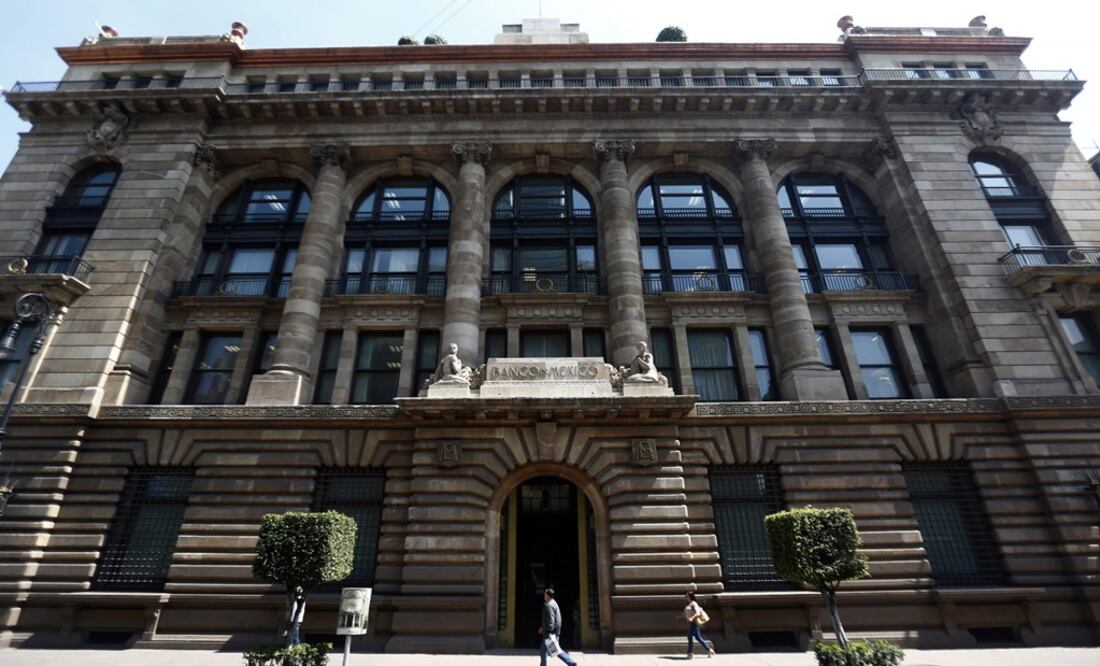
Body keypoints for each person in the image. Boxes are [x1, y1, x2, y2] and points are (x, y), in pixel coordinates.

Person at [538, 588, 577, 666]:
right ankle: (570, 662)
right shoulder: (554, 603)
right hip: (554, 630)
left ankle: (570, 662)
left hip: (550, 632)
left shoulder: (549, 605)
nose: (544, 596)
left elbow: (550, 620)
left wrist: (549, 632)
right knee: (551, 650)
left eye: (545, 594)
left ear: (548, 595)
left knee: (549, 650)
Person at [683, 591, 715, 659]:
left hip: (694, 623)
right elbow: (688, 613)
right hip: (691, 623)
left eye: (687, 596)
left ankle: (690, 653)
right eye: (686, 596)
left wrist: (691, 618)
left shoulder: (694, 603)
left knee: (689, 637)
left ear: (690, 597)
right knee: (698, 638)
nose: (685, 597)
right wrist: (681, 617)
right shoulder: (689, 604)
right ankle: (709, 650)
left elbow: (698, 613)